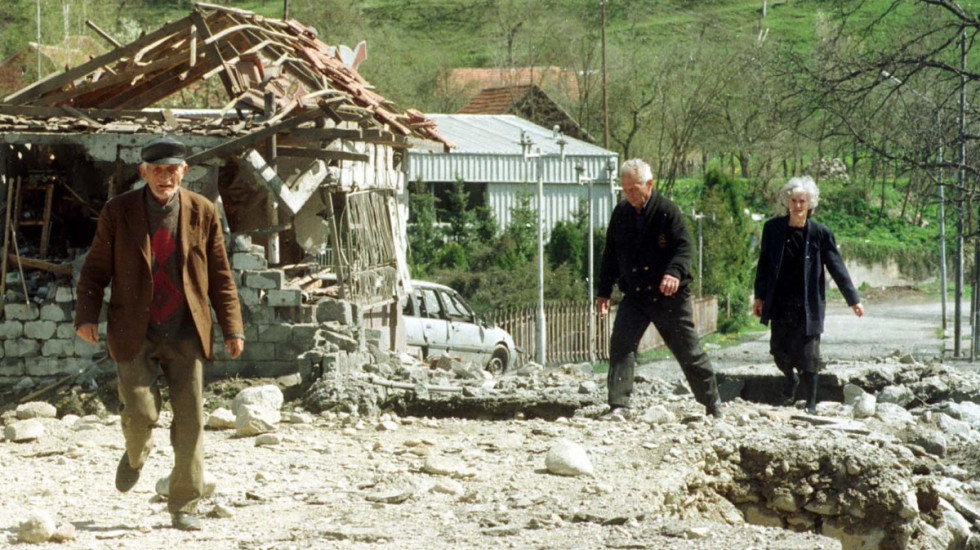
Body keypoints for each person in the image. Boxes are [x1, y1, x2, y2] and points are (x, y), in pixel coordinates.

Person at [75, 136, 245, 531]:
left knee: (190, 421)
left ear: (184, 172)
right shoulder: (119, 212)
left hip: (187, 331)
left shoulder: (202, 211)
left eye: (172, 170)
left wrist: (232, 327)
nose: (164, 177)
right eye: (157, 170)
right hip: (136, 330)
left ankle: (184, 503)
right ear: (144, 172)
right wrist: (86, 316)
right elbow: (96, 268)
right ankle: (136, 455)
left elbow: (220, 275)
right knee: (139, 414)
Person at [597, 159, 722, 420]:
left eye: (634, 189)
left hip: (669, 297)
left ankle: (712, 403)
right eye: (625, 189)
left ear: (649, 184)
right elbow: (611, 254)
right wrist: (604, 291)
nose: (629, 194)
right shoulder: (621, 213)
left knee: (687, 350)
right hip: (636, 294)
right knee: (621, 345)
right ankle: (619, 405)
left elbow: (685, 247)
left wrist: (674, 272)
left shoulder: (667, 211)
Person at [753, 176, 863, 415]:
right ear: (787, 202)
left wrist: (853, 300)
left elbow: (837, 267)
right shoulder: (772, 229)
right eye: (794, 201)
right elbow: (764, 264)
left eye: (802, 201)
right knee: (778, 351)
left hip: (807, 303)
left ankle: (811, 403)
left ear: (810, 203)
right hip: (780, 302)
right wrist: (759, 296)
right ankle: (791, 379)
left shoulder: (820, 233)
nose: (797, 206)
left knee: (810, 355)